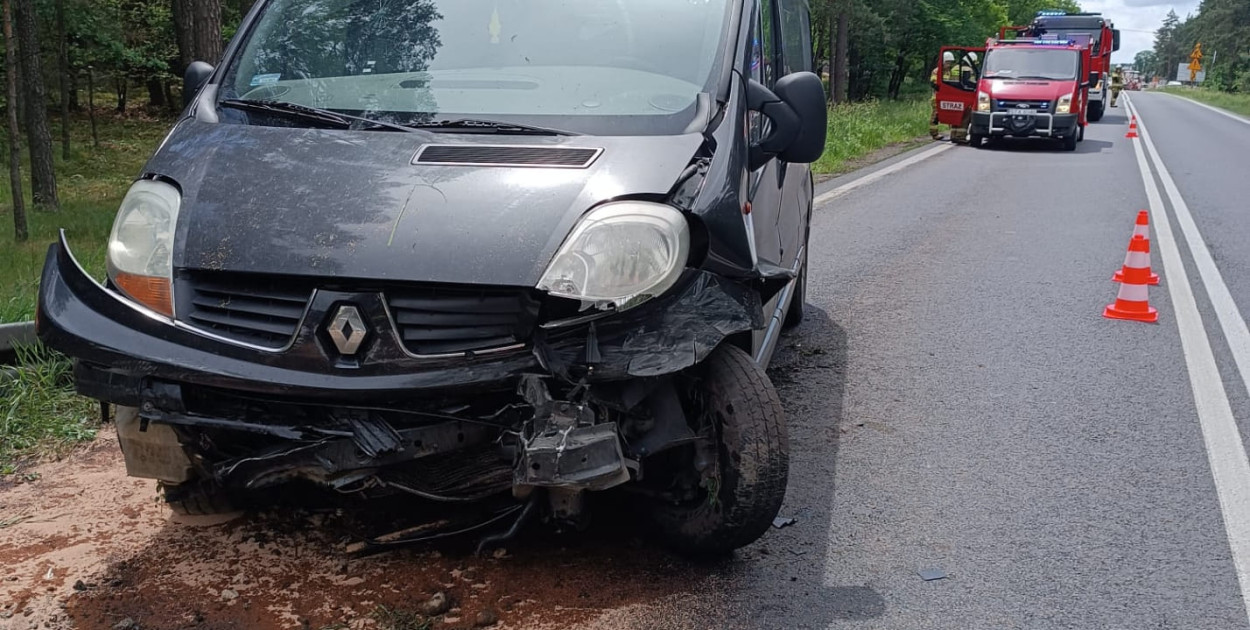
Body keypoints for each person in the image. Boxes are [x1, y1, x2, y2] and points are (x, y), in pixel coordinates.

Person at [930, 52, 956, 140]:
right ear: (943, 61)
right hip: (937, 97)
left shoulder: (949, 72)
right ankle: (934, 134)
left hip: (948, 97)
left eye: (950, 63)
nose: (949, 65)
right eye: (947, 62)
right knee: (935, 116)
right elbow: (933, 83)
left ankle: (953, 134)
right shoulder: (936, 71)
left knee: (950, 115)